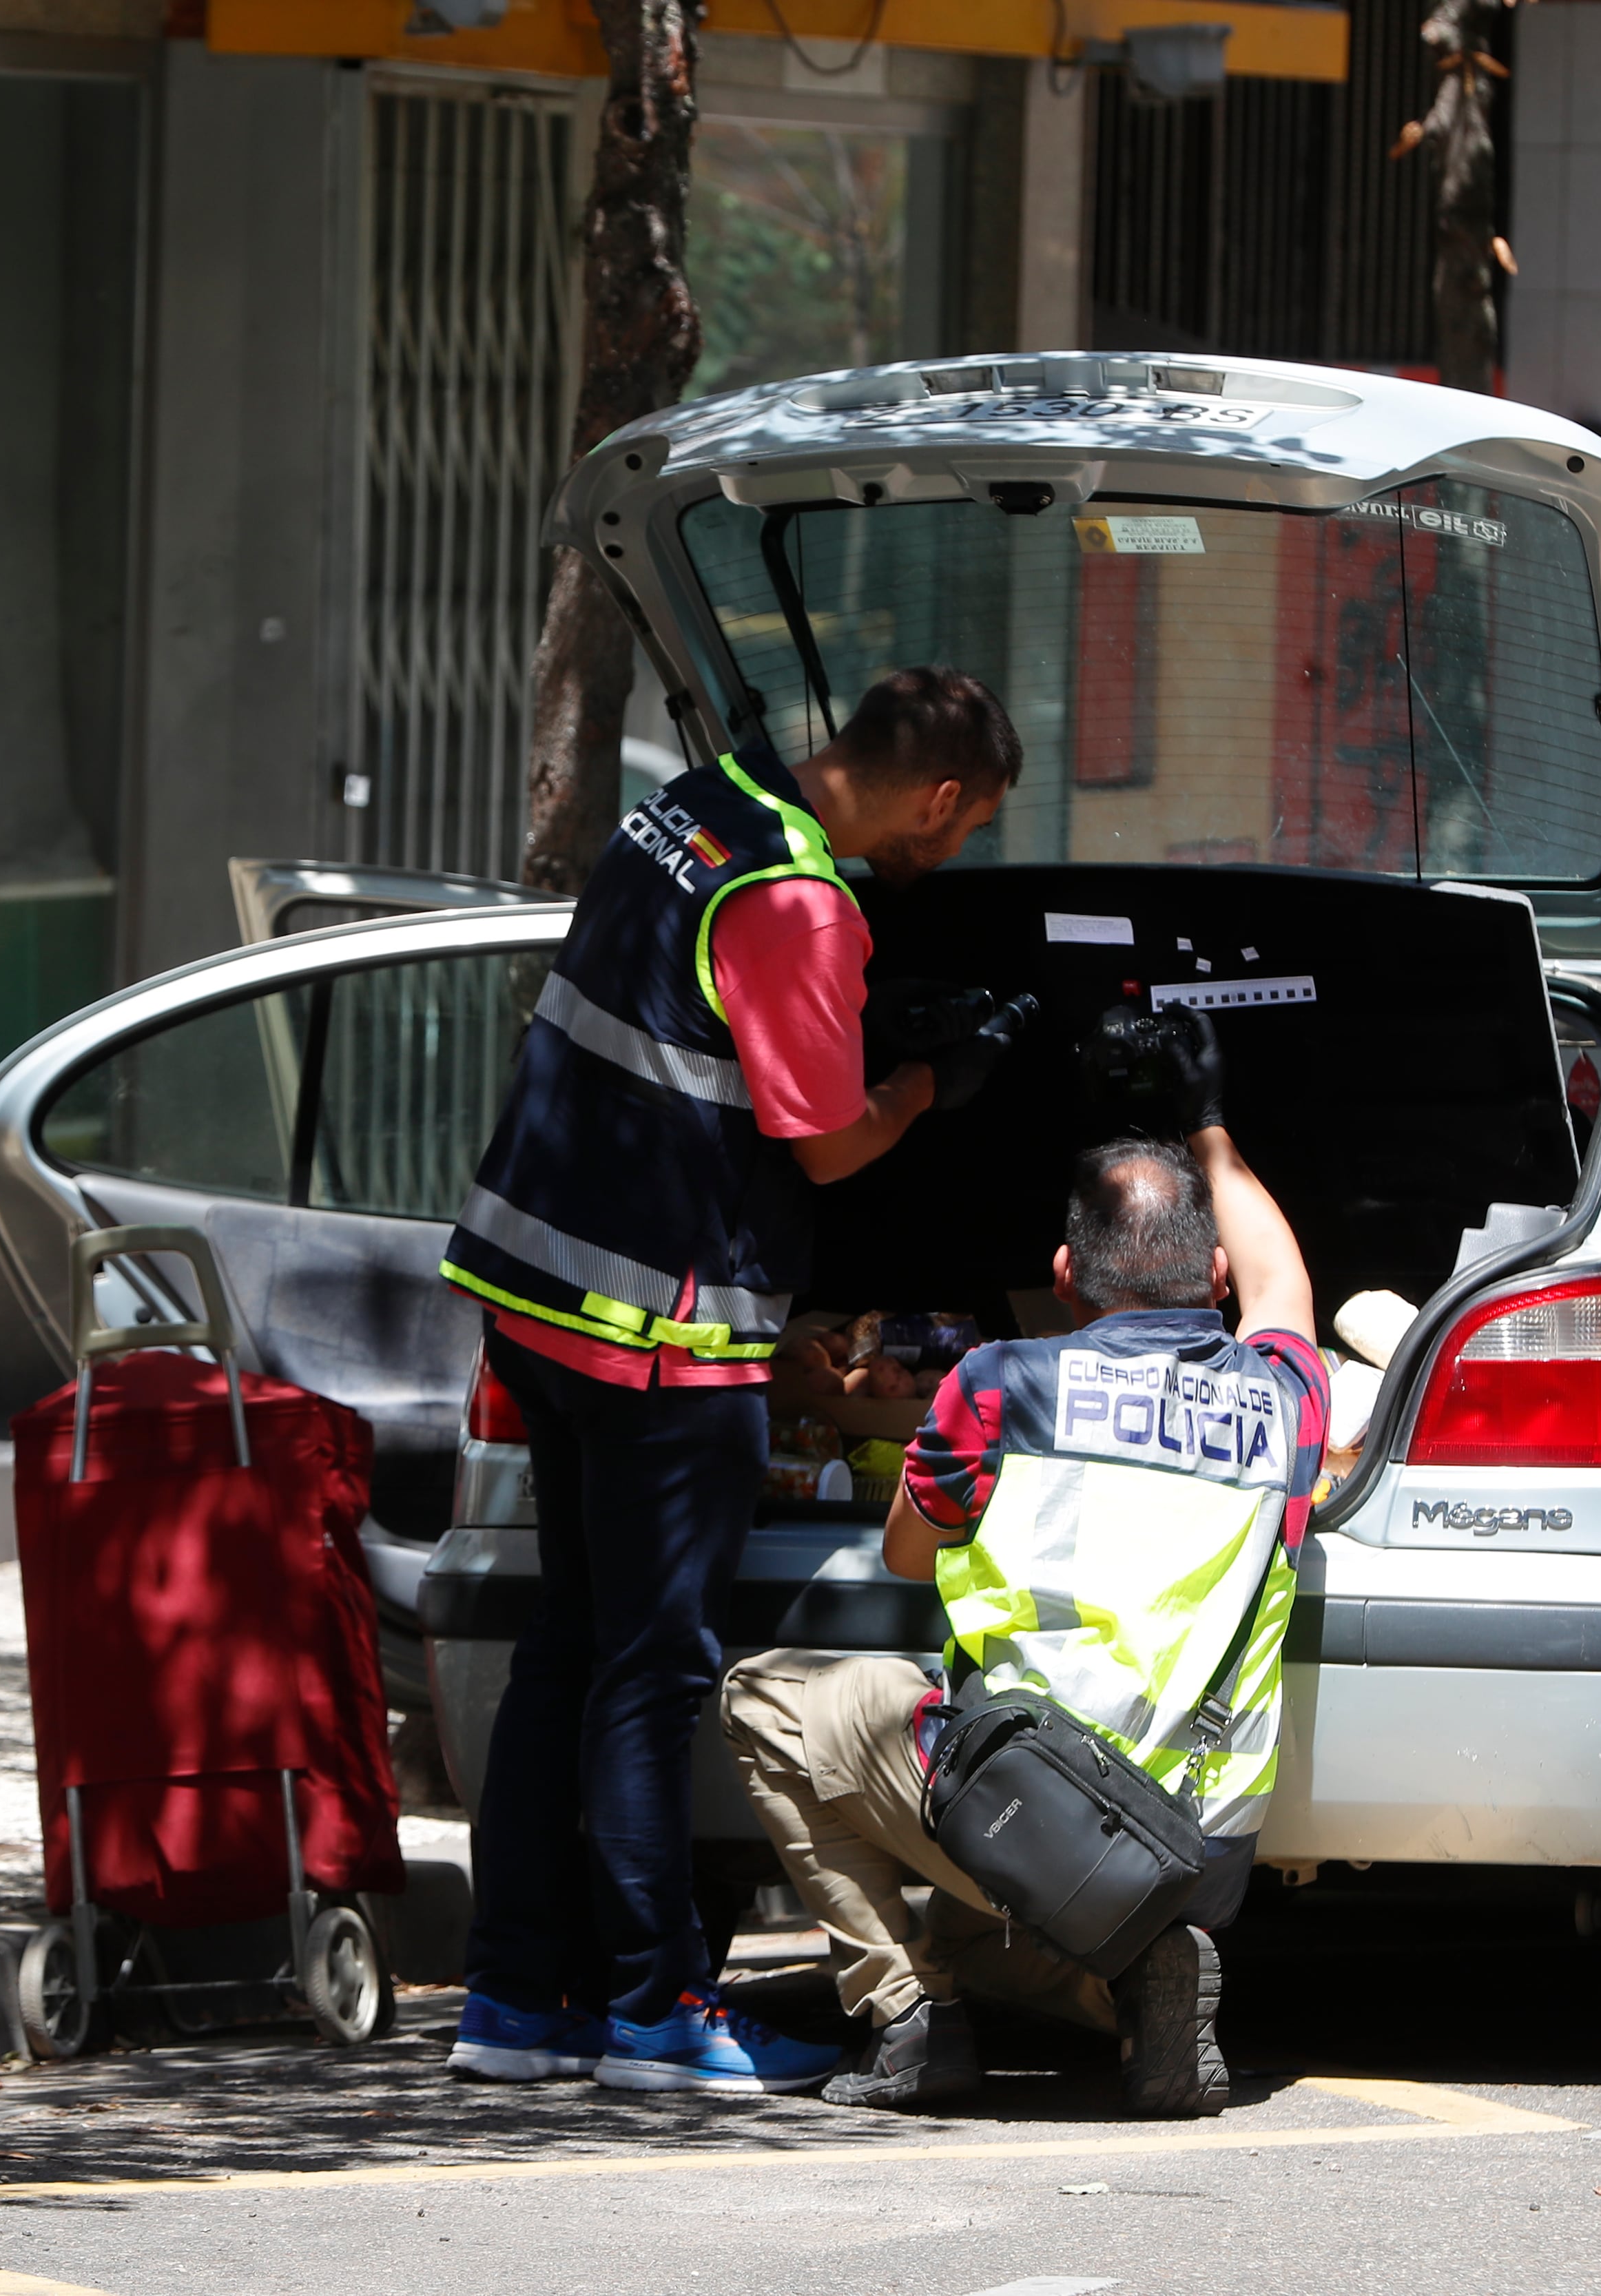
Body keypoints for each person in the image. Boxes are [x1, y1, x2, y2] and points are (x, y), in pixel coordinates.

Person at [437, 668, 1031, 2096]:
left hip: (536, 1296)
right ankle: (655, 2009)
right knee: (654, 1673)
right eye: (962, 832)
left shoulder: (688, 815)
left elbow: (682, 1051)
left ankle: (516, 1995)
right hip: (659, 1342)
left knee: (563, 1652)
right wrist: (935, 1082)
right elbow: (823, 1142)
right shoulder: (799, 900)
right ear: (938, 797)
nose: (948, 859)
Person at [720, 1127, 1328, 2115]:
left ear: (1062, 1274)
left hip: (1047, 1823)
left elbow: (906, 1554)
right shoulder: (1284, 1400)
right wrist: (1211, 1128)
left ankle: (907, 2020)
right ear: (1215, 1273)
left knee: (764, 1698)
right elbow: (1286, 1281)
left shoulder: (1001, 1384)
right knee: (984, 1924)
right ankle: (1134, 1980)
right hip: (1200, 1857)